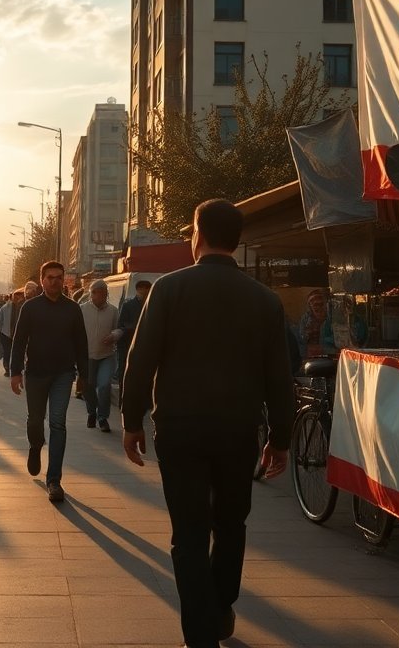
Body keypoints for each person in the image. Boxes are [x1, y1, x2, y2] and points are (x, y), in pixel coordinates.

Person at [121, 199, 295, 648]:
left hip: (180, 430)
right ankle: (220, 607)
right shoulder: (264, 300)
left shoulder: (169, 289)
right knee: (232, 523)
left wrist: (131, 420)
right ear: (236, 241)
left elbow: (141, 360)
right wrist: (280, 437)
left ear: (198, 234)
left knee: (189, 533)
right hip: (238, 429)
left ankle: (201, 633)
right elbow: (279, 375)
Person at [9, 261, 88, 504]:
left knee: (58, 424)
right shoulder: (30, 307)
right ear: (42, 280)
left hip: (63, 374)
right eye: (50, 277)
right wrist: (15, 372)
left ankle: (54, 480)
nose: (54, 281)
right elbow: (19, 341)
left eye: (58, 277)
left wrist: (84, 376)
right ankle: (35, 445)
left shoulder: (73, 309)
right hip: (35, 374)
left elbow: (81, 344)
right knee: (35, 420)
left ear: (64, 280)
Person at [79, 279, 119, 433]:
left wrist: (114, 335)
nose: (97, 296)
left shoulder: (113, 311)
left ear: (105, 294)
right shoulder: (82, 310)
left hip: (106, 355)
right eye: (94, 293)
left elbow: (119, 329)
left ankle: (102, 418)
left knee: (103, 386)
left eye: (101, 293)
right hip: (87, 356)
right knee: (88, 387)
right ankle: (91, 412)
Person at [113, 279, 151, 386]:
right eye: (145, 291)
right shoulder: (128, 306)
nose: (146, 294)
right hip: (127, 346)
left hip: (145, 347)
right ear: (139, 290)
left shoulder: (152, 305)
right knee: (125, 376)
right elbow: (121, 325)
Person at [0, 289, 24, 376]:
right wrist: (1, 332)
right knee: (7, 352)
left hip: (19, 334)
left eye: (19, 296)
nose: (17, 298)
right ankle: (7, 368)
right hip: (6, 334)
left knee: (17, 352)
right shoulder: (5, 308)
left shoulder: (24, 307)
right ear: (12, 297)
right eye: (15, 296)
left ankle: (18, 369)